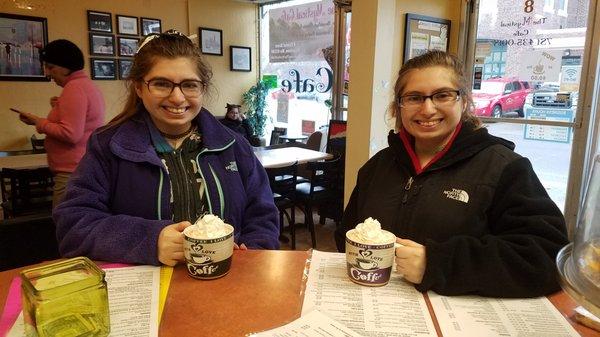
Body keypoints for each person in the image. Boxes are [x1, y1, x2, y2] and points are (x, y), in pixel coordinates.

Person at [335, 50, 569, 298]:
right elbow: (346, 235)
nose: (427, 109)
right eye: (414, 97)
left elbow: (547, 257)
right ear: (398, 107)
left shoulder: (506, 169)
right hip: (374, 307)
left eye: (442, 95)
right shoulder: (377, 167)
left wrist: (438, 263)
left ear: (464, 101)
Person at [53, 30, 280, 266]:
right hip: (145, 292)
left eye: (189, 85)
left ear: (202, 89)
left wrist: (253, 251)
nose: (177, 98)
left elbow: (263, 215)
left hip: (225, 284)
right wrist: (150, 240)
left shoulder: (234, 145)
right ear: (139, 88)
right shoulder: (108, 147)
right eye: (161, 84)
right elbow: (73, 225)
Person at [15, 39, 105, 207]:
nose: (47, 73)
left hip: (71, 172)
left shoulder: (74, 88)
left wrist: (38, 122)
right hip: (81, 168)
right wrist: (58, 107)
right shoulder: (85, 86)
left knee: (64, 226)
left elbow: (71, 134)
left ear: (66, 66)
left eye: (50, 67)